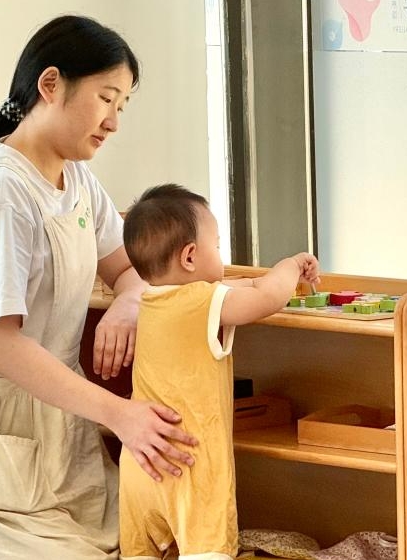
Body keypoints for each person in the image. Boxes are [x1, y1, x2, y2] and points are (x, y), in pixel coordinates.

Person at [0, 15, 198, 559]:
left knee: (153, 542)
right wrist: (119, 414)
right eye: (106, 99)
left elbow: (127, 270)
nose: (113, 122)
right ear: (50, 84)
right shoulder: (0, 193)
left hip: (50, 431)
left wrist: (127, 303)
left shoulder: (77, 180)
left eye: (122, 106)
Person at [118, 184, 320, 559]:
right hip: (191, 470)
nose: (221, 255)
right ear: (190, 256)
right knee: (207, 551)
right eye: (217, 245)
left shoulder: (151, 300)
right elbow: (267, 298)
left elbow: (235, 286)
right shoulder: (204, 301)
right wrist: (291, 266)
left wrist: (253, 280)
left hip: (140, 463)